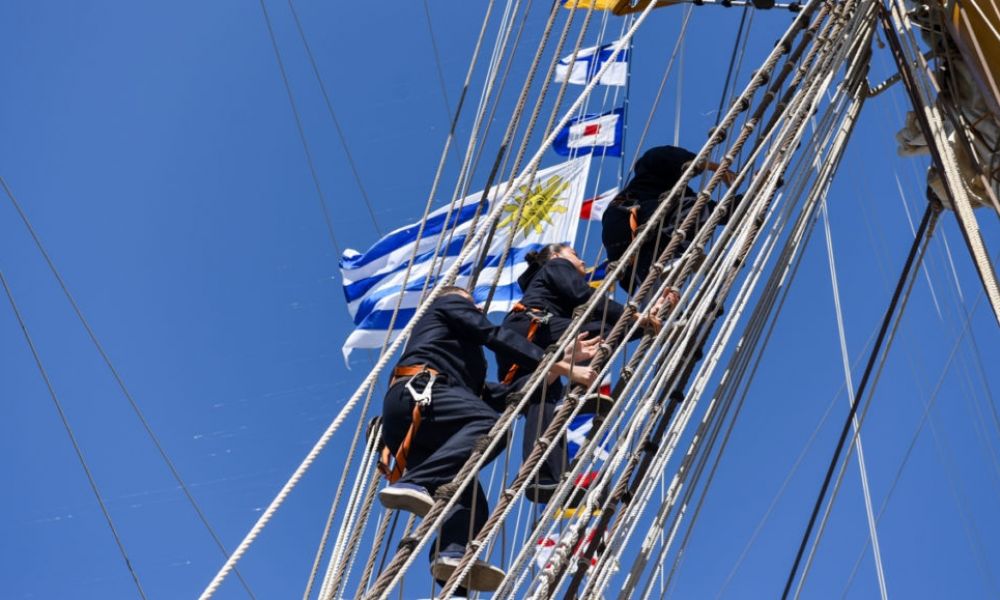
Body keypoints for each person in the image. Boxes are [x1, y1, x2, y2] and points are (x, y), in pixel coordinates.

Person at [377, 286, 597, 592]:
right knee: (487, 426)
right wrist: (554, 362)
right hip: (419, 394)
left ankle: (452, 571)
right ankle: (414, 481)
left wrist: (560, 364)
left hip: (424, 419)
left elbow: (509, 396)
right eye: (473, 301)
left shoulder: (465, 362)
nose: (478, 307)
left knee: (469, 503)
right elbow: (492, 334)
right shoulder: (447, 303)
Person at [497, 244, 661, 502]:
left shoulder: (538, 282)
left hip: (516, 341)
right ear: (556, 255)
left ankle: (544, 476)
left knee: (541, 399)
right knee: (605, 330)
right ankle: (584, 390)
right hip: (535, 327)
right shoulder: (556, 266)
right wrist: (638, 318)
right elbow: (586, 297)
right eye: (574, 253)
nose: (581, 258)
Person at [602, 145, 738, 294]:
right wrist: (718, 168)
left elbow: (720, 212)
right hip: (627, 217)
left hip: (624, 241)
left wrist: (756, 191)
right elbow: (685, 161)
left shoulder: (678, 194)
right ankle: (671, 258)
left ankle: (655, 295)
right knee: (694, 208)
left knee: (652, 270)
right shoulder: (650, 168)